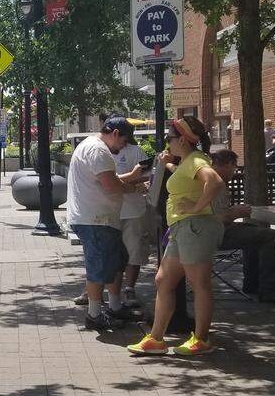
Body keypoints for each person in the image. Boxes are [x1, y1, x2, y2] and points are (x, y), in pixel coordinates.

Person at [128, 116, 224, 356]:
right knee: (163, 280)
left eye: (168, 139)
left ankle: (201, 340)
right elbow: (182, 173)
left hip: (195, 227)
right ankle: (156, 339)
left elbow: (214, 181)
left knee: (199, 284)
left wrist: (194, 207)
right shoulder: (187, 161)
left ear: (182, 139)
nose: (166, 143)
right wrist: (168, 163)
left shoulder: (197, 159)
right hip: (182, 229)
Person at [66, 117, 146, 331]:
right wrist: (135, 188)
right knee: (100, 266)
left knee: (116, 260)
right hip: (95, 219)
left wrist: (130, 179)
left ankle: (114, 306)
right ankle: (94, 315)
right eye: (124, 141)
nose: (123, 147)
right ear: (116, 133)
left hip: (98, 218)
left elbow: (109, 180)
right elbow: (111, 186)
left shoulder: (93, 147)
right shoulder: (98, 151)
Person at [207, 150, 275, 304]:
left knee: (253, 231)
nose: (234, 171)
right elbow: (218, 219)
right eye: (234, 167)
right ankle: (270, 289)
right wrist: (236, 213)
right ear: (229, 164)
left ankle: (253, 283)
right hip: (215, 234)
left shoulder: (210, 178)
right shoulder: (216, 182)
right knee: (270, 236)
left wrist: (233, 212)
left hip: (210, 231)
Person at [113, 139, 150, 305]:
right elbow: (101, 181)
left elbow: (148, 177)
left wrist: (118, 182)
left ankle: (129, 289)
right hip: (109, 212)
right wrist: (133, 181)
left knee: (134, 252)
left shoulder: (137, 152)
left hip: (133, 211)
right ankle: (94, 290)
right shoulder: (101, 151)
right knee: (107, 253)